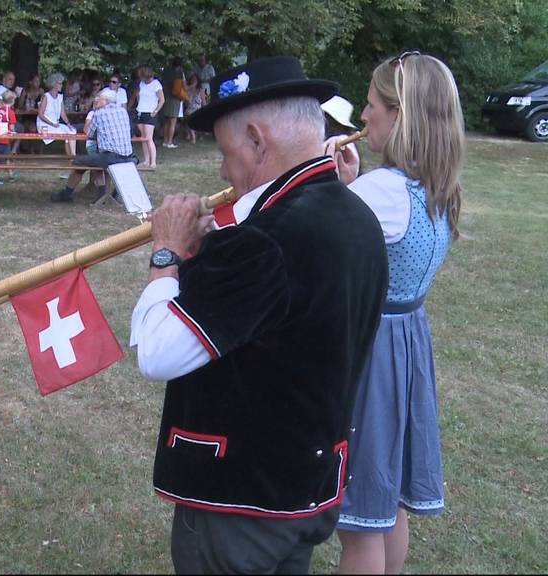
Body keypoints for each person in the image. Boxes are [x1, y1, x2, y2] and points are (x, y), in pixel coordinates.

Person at [129, 55, 388, 574]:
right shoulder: (357, 214)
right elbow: (283, 323)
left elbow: (156, 353)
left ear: (256, 140)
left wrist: (168, 256)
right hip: (306, 489)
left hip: (242, 504)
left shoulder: (265, 242)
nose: (223, 171)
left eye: (226, 154)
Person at [325, 52, 464, 575]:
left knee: (359, 524)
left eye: (371, 104)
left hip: (370, 355)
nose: (363, 116)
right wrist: (349, 187)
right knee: (387, 504)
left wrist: (320, 182)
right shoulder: (436, 188)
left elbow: (318, 239)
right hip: (406, 347)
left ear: (399, 114)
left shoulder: (380, 193)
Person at [51, 89, 134, 204]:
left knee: (78, 161)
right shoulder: (123, 112)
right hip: (128, 156)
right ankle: (107, 193)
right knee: (95, 160)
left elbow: (89, 133)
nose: (95, 99)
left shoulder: (99, 113)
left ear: (106, 101)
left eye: (98, 97)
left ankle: (69, 193)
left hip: (110, 157)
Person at [37, 73, 77, 157]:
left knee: (72, 131)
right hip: (45, 125)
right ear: (53, 84)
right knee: (68, 133)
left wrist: (68, 124)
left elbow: (62, 113)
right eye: (59, 83)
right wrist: (52, 124)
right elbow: (40, 114)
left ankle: (72, 156)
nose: (61, 85)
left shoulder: (60, 97)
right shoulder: (46, 96)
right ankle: (72, 157)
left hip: (55, 124)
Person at [135, 65, 164, 168]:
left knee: (148, 138)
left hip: (150, 113)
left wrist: (155, 111)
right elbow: (139, 96)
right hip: (141, 112)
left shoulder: (156, 84)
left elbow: (162, 100)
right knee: (143, 138)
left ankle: (153, 162)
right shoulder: (141, 84)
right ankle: (146, 160)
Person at [0, 90, 18, 186]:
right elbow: (12, 128)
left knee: (6, 156)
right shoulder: (10, 112)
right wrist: (13, 135)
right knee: (0, 160)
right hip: (4, 138)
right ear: (12, 101)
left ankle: (11, 175)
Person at [161, 58, 186, 149]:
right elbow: (182, 86)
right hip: (175, 98)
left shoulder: (166, 72)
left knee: (166, 121)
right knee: (173, 122)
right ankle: (170, 142)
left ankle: (165, 141)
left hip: (165, 97)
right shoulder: (179, 73)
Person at [183, 73, 205, 144]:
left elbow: (203, 100)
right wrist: (191, 86)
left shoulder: (200, 89)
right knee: (189, 116)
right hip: (189, 108)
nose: (193, 81)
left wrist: (204, 109)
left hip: (198, 108)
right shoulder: (188, 89)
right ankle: (192, 136)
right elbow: (185, 100)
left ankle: (194, 135)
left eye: (195, 79)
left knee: (192, 118)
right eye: (192, 79)